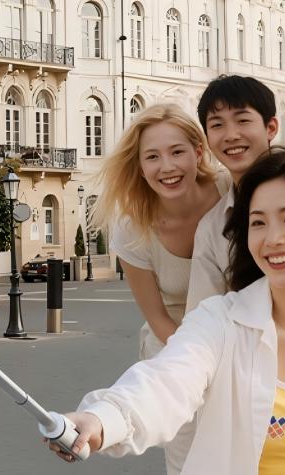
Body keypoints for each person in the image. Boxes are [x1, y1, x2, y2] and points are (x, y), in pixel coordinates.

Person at [49, 151, 285, 472]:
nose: (273, 239)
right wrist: (103, 418)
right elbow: (165, 383)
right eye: (258, 222)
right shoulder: (220, 322)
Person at [90, 103, 227, 474]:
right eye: (152, 157)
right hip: (174, 348)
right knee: (187, 464)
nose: (166, 167)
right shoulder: (133, 229)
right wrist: (199, 362)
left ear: (198, 153)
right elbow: (157, 317)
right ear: (140, 166)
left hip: (236, 347)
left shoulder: (230, 193)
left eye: (177, 152)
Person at [188, 75, 279, 310]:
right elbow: (203, 314)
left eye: (242, 120)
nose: (231, 135)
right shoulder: (213, 226)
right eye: (217, 125)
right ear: (207, 139)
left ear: (270, 127)